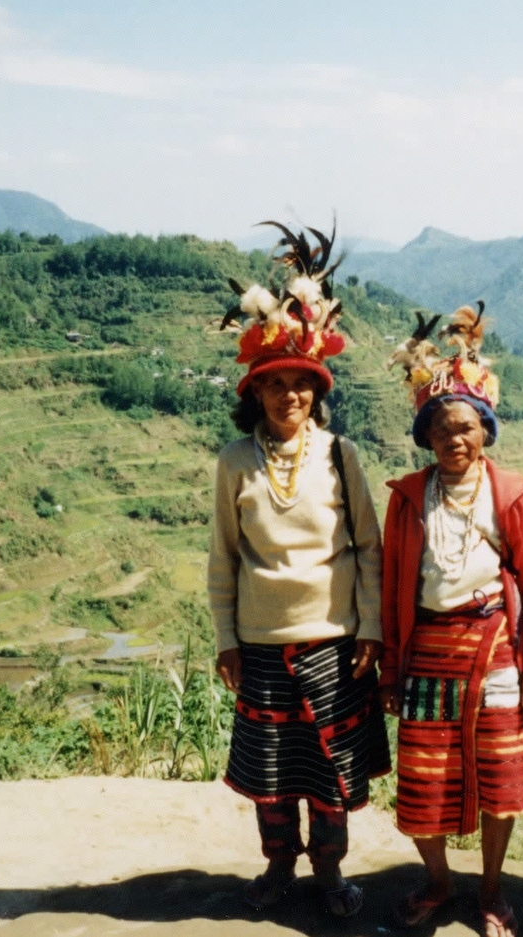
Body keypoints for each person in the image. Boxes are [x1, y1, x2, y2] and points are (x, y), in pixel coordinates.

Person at [207, 222, 387, 919]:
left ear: (317, 389)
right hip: (260, 644)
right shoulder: (233, 462)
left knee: (331, 774)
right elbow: (224, 555)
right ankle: (279, 869)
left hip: (334, 644)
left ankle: (331, 876)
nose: (289, 396)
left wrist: (369, 625)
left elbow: (368, 549)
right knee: (273, 774)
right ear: (256, 392)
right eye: (275, 385)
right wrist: (227, 637)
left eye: (300, 385)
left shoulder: (342, 457)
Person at [379, 303, 523, 936]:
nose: (456, 439)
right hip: (428, 646)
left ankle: (492, 888)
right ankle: (439, 881)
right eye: (443, 429)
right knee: (424, 773)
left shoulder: (511, 495)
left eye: (468, 428)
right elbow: (391, 586)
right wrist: (392, 669)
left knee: (501, 769)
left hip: (496, 645)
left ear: (486, 431)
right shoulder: (406, 499)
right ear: (426, 436)